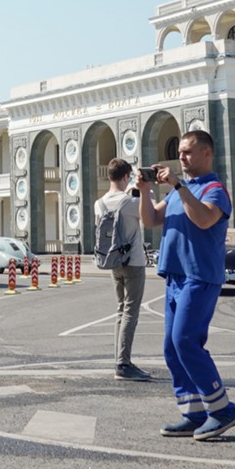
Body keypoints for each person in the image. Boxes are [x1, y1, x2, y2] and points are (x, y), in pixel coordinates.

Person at [140, 129, 235, 442]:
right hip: (174, 276)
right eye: (180, 151)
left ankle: (222, 411)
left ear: (207, 153)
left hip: (200, 276)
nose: (181, 157)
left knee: (186, 341)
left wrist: (178, 185)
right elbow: (151, 220)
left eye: (187, 152)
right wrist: (144, 191)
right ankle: (193, 413)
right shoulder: (177, 192)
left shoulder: (214, 189)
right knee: (171, 348)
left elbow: (203, 219)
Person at [95, 158, 151, 382]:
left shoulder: (99, 203)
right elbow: (150, 212)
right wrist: (141, 191)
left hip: (113, 262)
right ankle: (123, 364)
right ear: (126, 176)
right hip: (134, 262)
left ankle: (120, 359)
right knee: (131, 312)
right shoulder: (128, 202)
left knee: (120, 310)